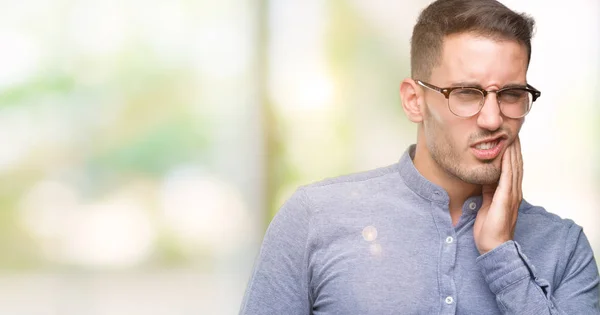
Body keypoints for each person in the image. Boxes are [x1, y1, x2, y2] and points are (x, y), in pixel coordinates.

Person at [239, 0, 600, 314]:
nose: (493, 119)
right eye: (466, 92)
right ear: (414, 100)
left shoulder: (563, 247)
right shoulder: (313, 218)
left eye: (510, 94)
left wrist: (503, 255)